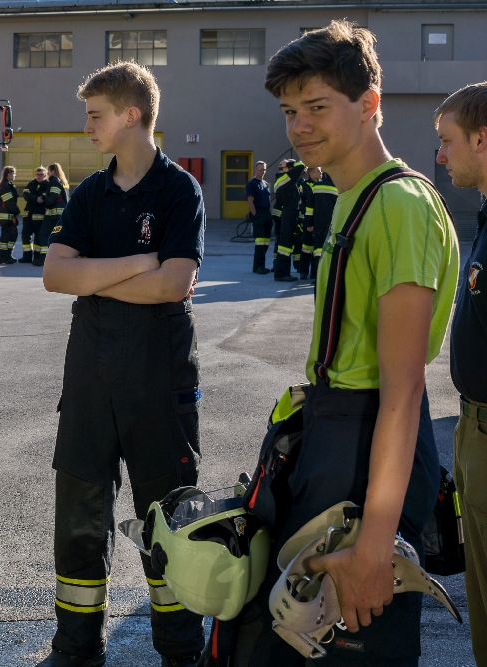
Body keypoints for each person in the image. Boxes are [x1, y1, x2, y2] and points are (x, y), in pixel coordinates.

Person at [226, 21, 459, 666]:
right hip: (334, 434)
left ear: (369, 104)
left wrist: (375, 548)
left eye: (317, 107)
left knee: (353, 644)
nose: (299, 126)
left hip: (368, 449)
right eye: (289, 112)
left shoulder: (399, 205)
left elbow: (403, 390)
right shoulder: (351, 195)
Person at [40, 61, 206, 667]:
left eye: (95, 115)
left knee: (169, 517)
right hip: (90, 375)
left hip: (159, 378)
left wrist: (95, 276)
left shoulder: (178, 190)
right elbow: (55, 275)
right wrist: (139, 263)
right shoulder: (89, 192)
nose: (86, 127)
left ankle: (181, 649)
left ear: (131, 115)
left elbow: (173, 285)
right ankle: (76, 646)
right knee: (79, 516)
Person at [433, 81, 487, 666]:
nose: (441, 155)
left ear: (482, 139)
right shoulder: (486, 216)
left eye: (448, 141)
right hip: (473, 430)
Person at [272, 158, 304, 282]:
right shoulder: (285, 178)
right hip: (289, 214)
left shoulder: (283, 179)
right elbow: (301, 166)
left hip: (288, 214)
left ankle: (283, 272)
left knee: (285, 245)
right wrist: (290, 163)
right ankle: (281, 273)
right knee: (285, 245)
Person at [35, 163, 70, 266]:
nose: (47, 173)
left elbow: (53, 196)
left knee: (44, 234)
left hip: (53, 214)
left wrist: (46, 203)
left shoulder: (54, 181)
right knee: (56, 236)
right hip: (60, 214)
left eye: (48, 171)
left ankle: (44, 258)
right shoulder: (62, 181)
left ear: (52, 171)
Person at [306, 166, 337, 280]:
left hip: (317, 223)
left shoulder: (316, 186)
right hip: (331, 224)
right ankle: (326, 276)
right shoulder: (336, 187)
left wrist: (309, 223)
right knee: (329, 250)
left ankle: (316, 275)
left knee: (317, 250)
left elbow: (310, 207)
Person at [246, 161, 272, 274]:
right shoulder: (252, 184)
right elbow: (250, 201)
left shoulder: (265, 183)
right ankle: (259, 267)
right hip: (258, 213)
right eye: (260, 169)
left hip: (266, 213)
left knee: (266, 242)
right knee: (260, 243)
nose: (262, 171)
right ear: (255, 170)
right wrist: (255, 215)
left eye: (264, 169)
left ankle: (258, 266)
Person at [21, 166, 49, 263]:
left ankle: (37, 256)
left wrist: (33, 197)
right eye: (37, 174)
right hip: (28, 215)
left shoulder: (47, 185)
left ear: (45, 175)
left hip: (40, 216)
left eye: (41, 175)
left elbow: (44, 197)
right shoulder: (31, 183)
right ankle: (27, 256)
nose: (38, 176)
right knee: (25, 236)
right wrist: (36, 198)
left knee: (38, 237)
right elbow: (25, 194)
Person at [0, 166, 20, 264]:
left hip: (9, 215)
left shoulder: (8, 185)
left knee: (12, 235)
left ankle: (7, 255)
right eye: (13, 173)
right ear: (8, 174)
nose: (14, 175)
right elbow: (9, 201)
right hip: (5, 216)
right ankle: (3, 256)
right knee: (6, 237)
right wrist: (16, 211)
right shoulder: (5, 186)